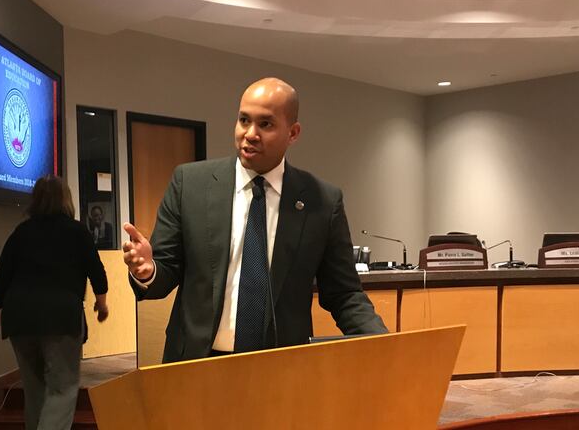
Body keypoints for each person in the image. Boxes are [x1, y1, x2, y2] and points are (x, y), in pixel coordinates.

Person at [123, 77, 387, 363]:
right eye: (244, 120)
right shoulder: (190, 184)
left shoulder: (322, 201)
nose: (250, 134)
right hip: (196, 364)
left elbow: (344, 293)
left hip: (279, 370)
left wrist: (385, 344)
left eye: (266, 124)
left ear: (293, 133)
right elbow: (164, 274)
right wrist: (147, 271)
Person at [0, 175, 109, 430]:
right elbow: (97, 272)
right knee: (62, 389)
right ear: (66, 199)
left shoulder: (21, 232)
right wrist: (101, 304)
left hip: (19, 318)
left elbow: (3, 272)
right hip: (60, 317)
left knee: (34, 390)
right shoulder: (76, 232)